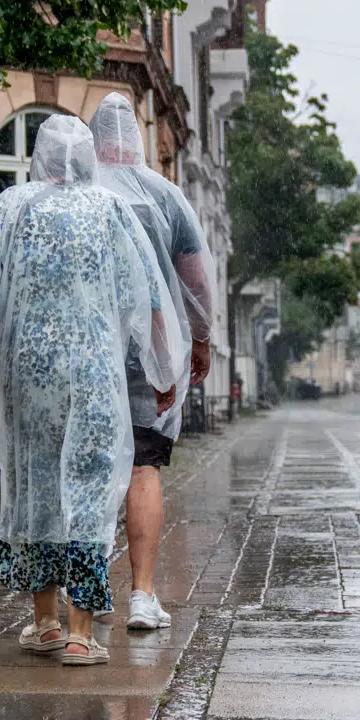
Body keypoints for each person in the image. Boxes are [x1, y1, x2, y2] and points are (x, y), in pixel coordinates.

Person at [0, 115, 184, 664]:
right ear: (89, 158)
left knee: (37, 482)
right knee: (91, 487)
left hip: (29, 372)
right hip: (94, 371)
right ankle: (82, 633)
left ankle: (45, 622)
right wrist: (162, 371)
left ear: (40, 155)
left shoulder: (15, 206)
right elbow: (145, 296)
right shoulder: (109, 209)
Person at [88, 93, 214, 630]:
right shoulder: (167, 198)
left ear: (93, 142)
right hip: (151, 356)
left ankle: (85, 600)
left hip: (88, 353)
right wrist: (201, 341)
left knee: (88, 469)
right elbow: (195, 280)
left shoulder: (78, 195)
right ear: (138, 139)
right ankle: (142, 596)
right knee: (144, 466)